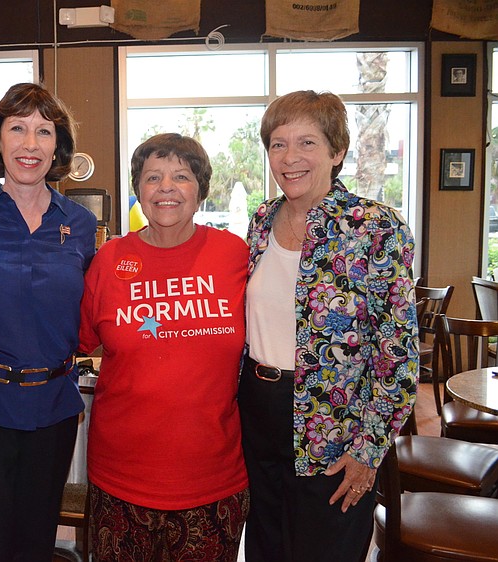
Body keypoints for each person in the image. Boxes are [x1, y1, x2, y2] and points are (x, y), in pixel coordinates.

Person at [240, 90, 419, 562]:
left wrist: (368, 450)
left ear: (337, 152)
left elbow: (398, 355)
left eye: (307, 143)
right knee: (264, 544)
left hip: (333, 425)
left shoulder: (375, 227)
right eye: (278, 144)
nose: (290, 157)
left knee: (325, 548)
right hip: (257, 413)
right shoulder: (260, 221)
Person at [0, 82, 96, 561]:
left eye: (44, 132)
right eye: (18, 129)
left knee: (34, 545)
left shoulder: (82, 224)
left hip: (51, 407)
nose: (31, 144)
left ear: (57, 147)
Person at [78, 133, 250, 561]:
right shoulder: (110, 260)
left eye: (181, 176)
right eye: (153, 177)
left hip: (212, 478)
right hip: (121, 479)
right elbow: (77, 341)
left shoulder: (234, 254)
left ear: (200, 189)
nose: (166, 187)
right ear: (139, 190)